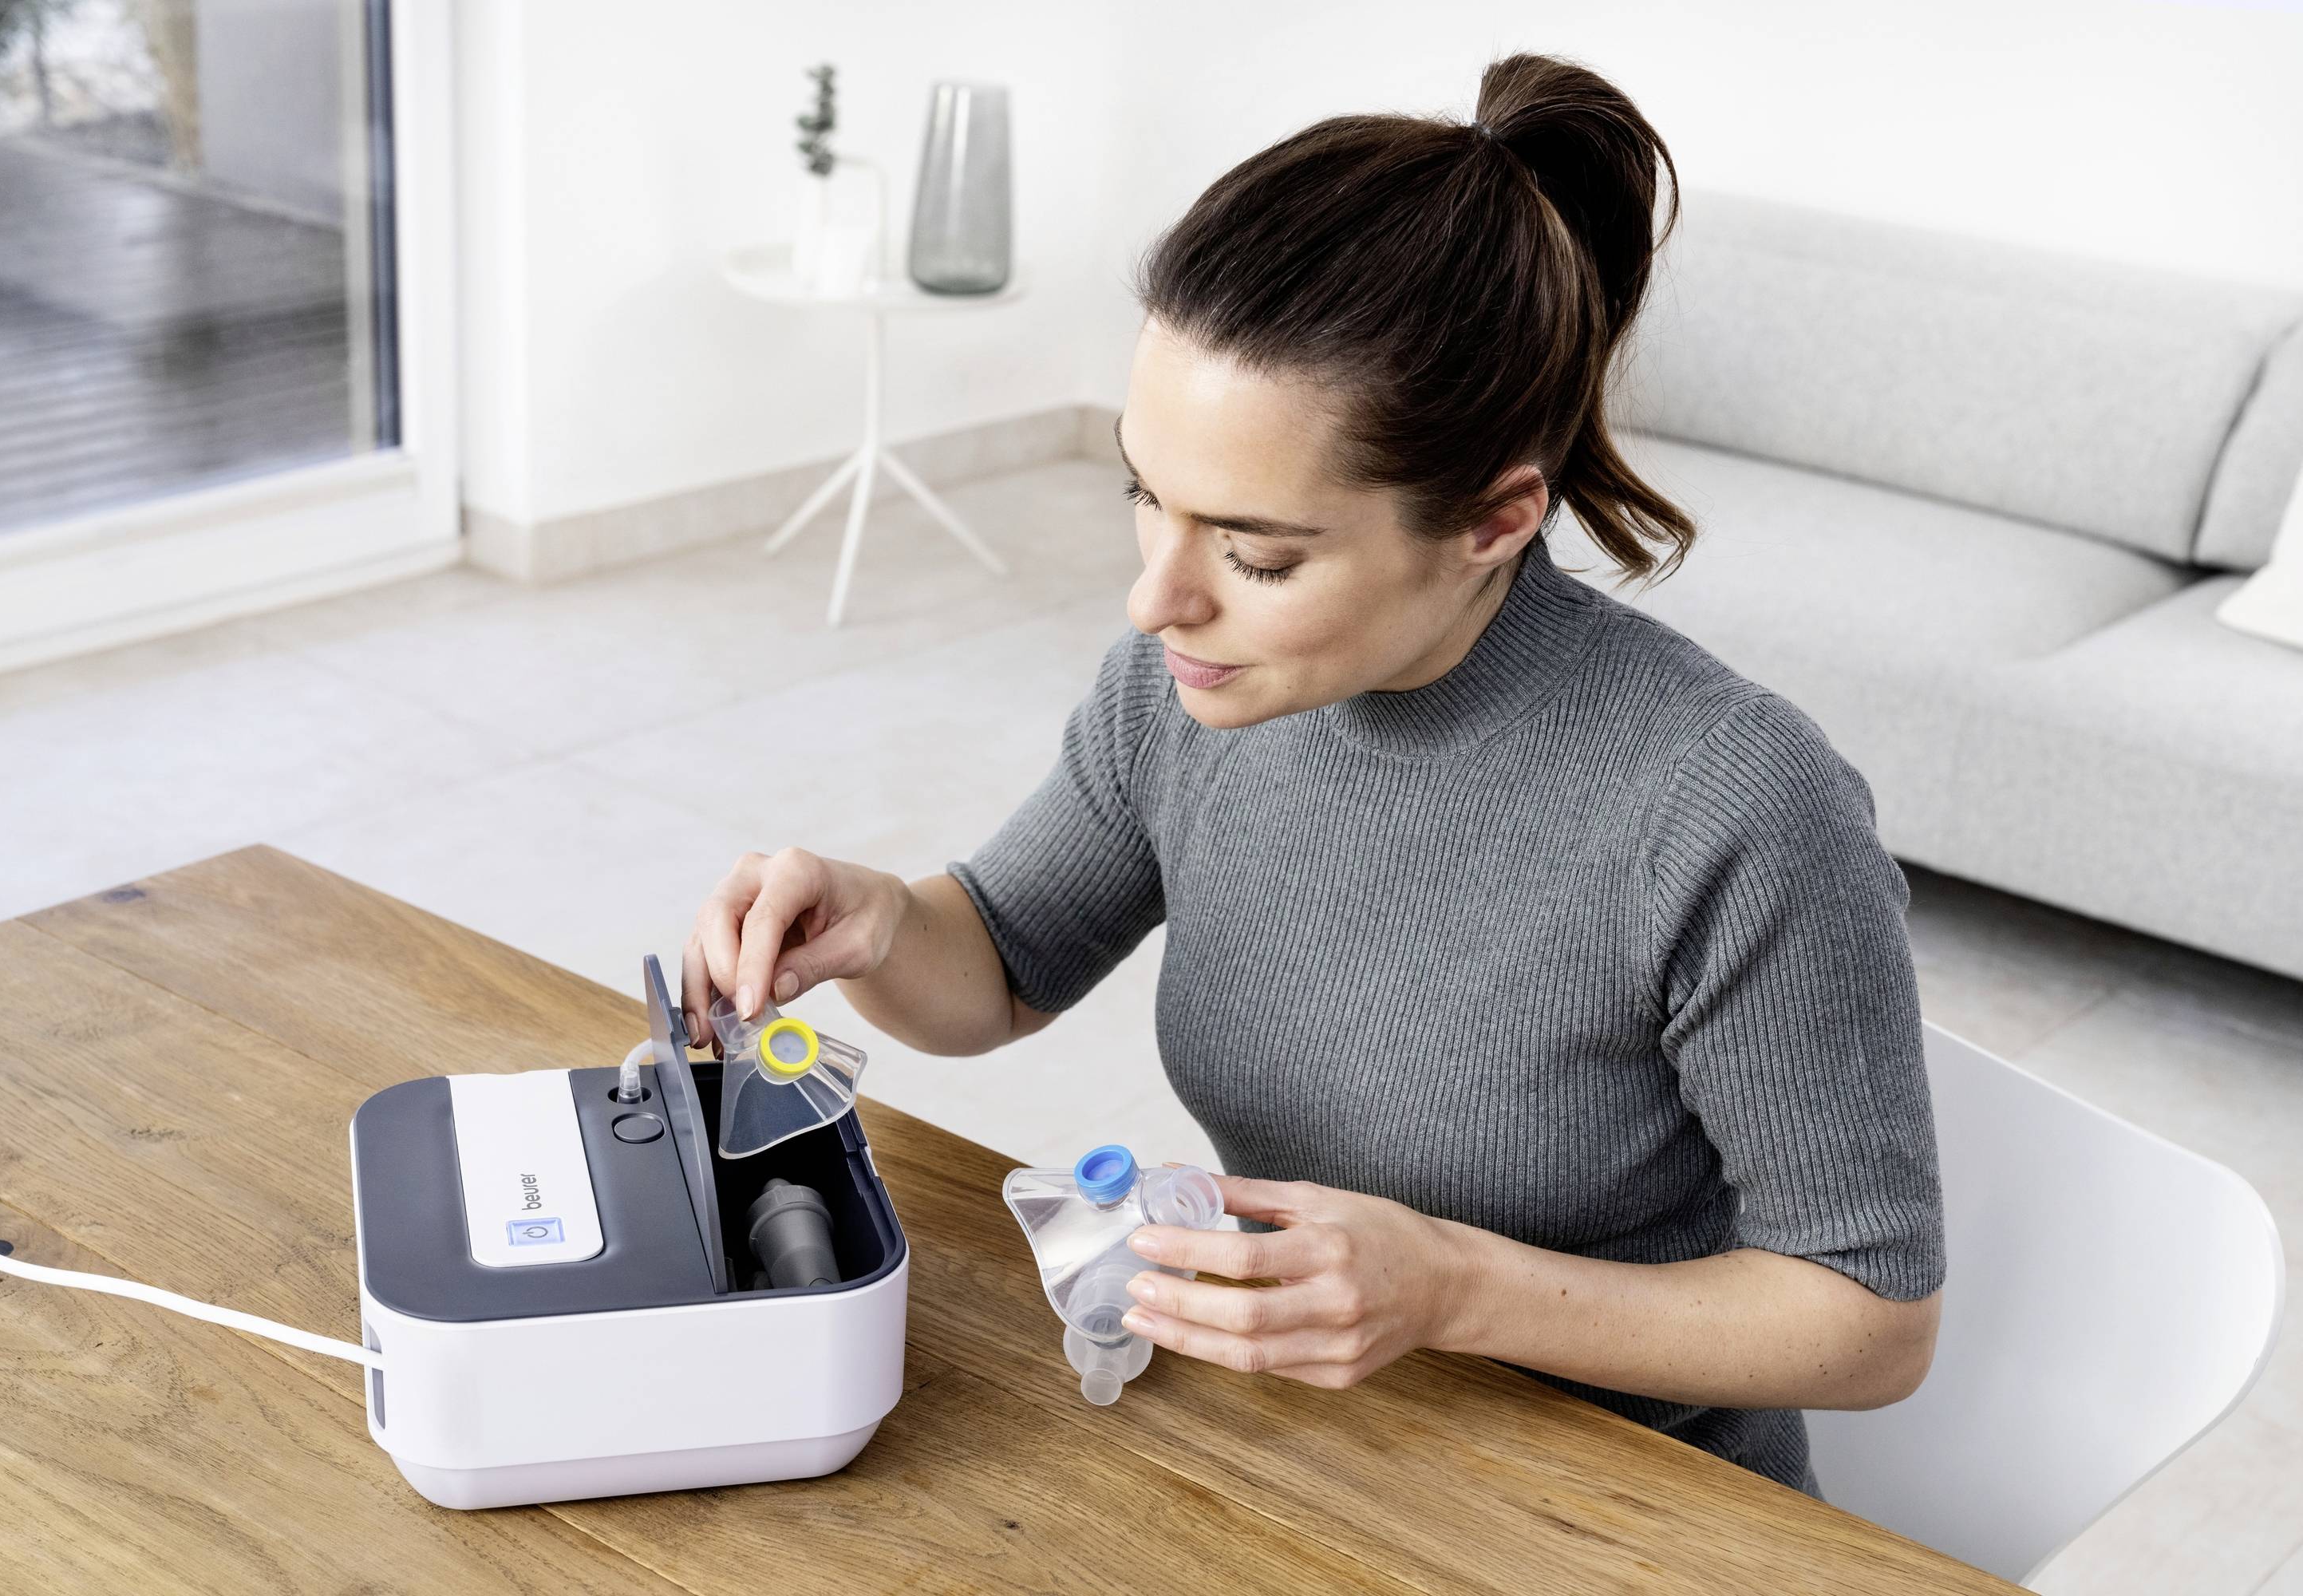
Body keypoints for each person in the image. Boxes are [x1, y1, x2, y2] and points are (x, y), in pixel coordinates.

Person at [682, 52, 1942, 1496]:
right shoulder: (1186, 695)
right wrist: (885, 922)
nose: (1157, 599)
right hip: (1307, 1446)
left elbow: (1871, 1320)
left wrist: (1455, 1289)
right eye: (1145, 495)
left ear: (1493, 518)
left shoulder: (1733, 805)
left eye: (1256, 554)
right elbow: (1004, 970)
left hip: (1621, 1506)